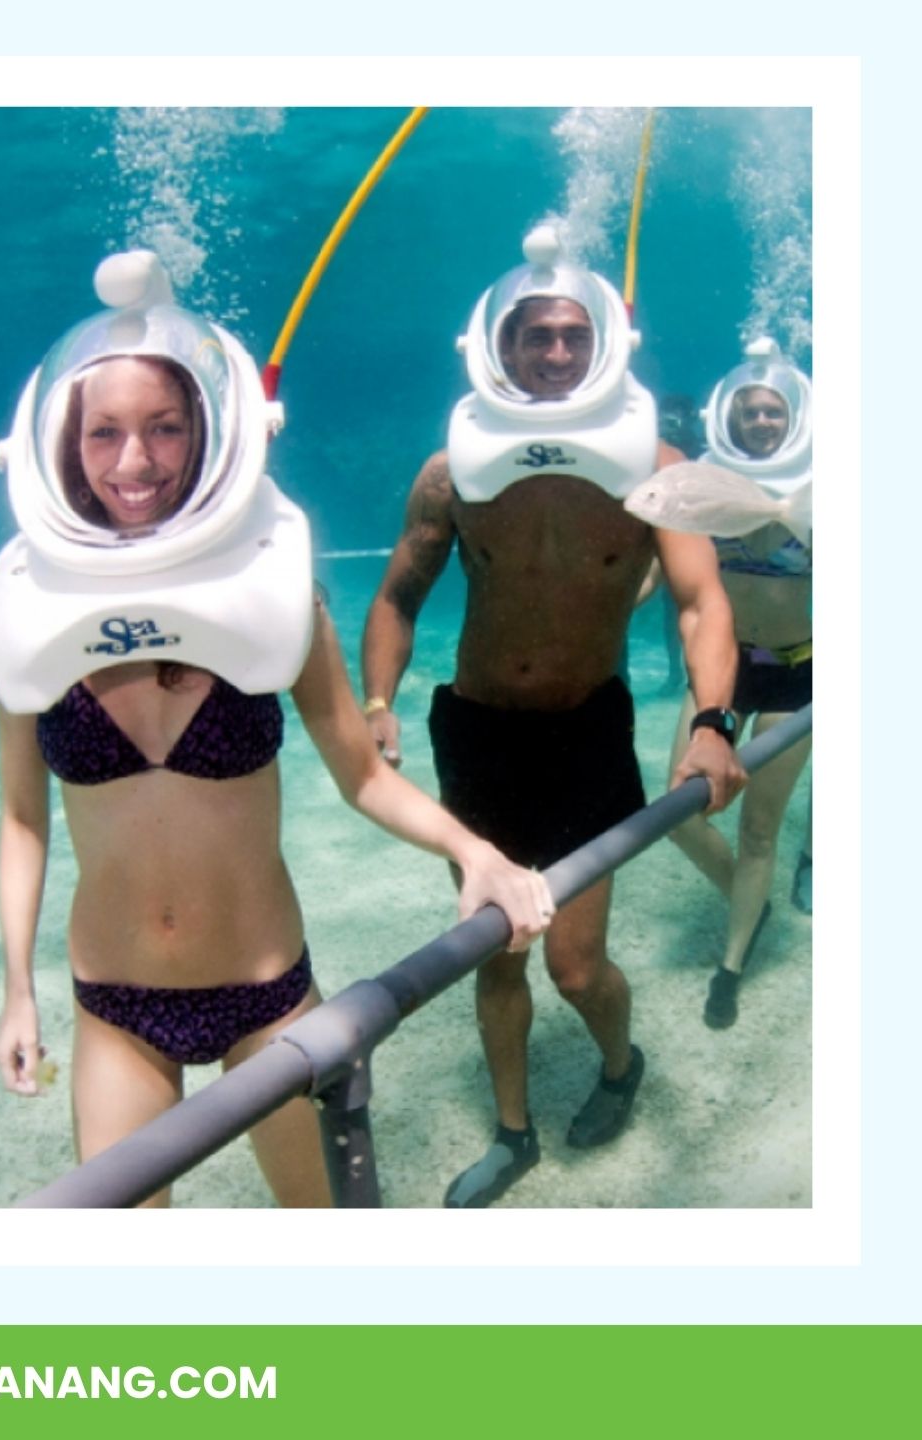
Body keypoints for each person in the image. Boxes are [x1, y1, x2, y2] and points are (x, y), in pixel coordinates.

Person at [0, 261, 553, 1208]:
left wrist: (475, 853)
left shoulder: (272, 593)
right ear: (59, 445)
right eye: (106, 433)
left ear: (211, 433)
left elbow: (363, 776)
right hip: (114, 1008)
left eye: (166, 427)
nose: (136, 462)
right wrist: (16, 990)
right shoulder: (30, 606)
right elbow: (22, 820)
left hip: (268, 995)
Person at [359, 227, 744, 1208]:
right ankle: (514, 1132)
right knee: (497, 950)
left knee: (575, 967)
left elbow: (699, 601)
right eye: (537, 336)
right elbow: (399, 595)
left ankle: (621, 1066)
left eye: (574, 335)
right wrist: (376, 704)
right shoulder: (452, 472)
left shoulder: (655, 464)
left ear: (605, 343)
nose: (558, 353)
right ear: (500, 345)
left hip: (586, 735)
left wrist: (713, 722)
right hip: (479, 734)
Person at [665, 341, 813, 1028]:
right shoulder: (705, 483)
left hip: (800, 668)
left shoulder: (827, 482)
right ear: (730, 414)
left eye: (772, 411)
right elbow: (663, 565)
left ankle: (731, 964)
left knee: (759, 829)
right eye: (749, 411)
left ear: (795, 417)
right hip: (722, 667)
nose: (760, 422)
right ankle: (749, 903)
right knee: (676, 812)